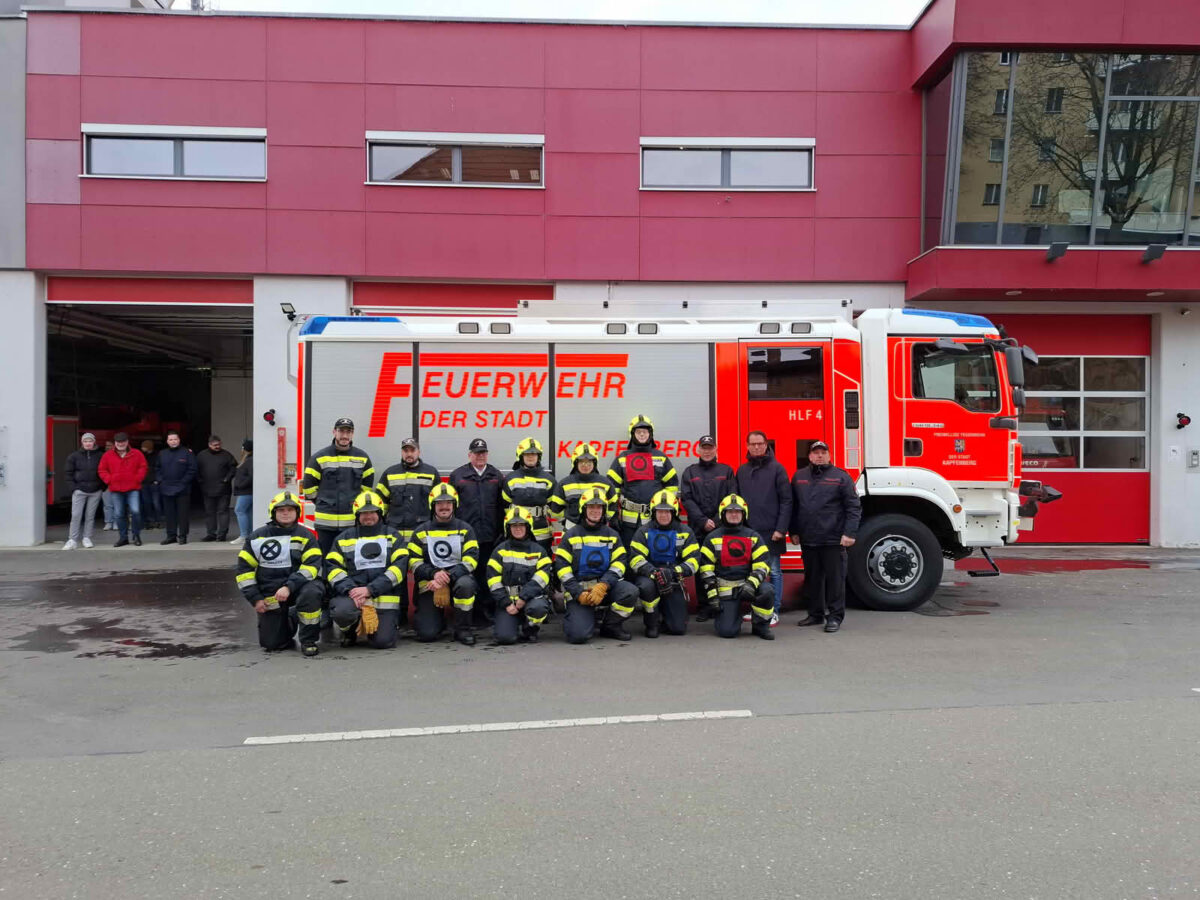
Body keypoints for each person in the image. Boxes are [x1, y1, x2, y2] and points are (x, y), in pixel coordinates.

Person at [234, 490, 325, 656]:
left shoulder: (306, 535)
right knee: (272, 644)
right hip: (271, 592)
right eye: (281, 510)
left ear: (297, 512)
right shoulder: (257, 537)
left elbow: (312, 566)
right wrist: (255, 598)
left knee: (312, 592)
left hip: (299, 587)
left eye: (290, 510)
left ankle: (308, 640)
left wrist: (289, 586)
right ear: (273, 512)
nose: (285, 513)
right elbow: (244, 571)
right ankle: (290, 617)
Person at [789, 440, 862, 634]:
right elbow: (794, 507)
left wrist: (849, 533)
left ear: (829, 455)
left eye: (823, 452)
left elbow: (853, 507)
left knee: (835, 580)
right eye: (816, 452)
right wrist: (794, 531)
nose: (819, 455)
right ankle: (815, 614)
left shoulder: (841, 477)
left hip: (833, 539)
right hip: (808, 538)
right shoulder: (799, 477)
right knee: (812, 579)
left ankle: (835, 617)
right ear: (810, 456)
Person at [555, 486, 639, 643]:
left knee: (630, 591)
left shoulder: (612, 535)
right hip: (580, 591)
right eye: (591, 507)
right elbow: (561, 567)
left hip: (604, 588)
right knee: (578, 636)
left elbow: (619, 564)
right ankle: (581, 618)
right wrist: (578, 592)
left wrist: (603, 585)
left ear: (604, 510)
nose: (595, 511)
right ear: (583, 509)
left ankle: (610, 625)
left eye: (599, 507)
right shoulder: (571, 535)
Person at [326, 490, 407, 650]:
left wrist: (370, 589)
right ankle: (349, 631)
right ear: (357, 515)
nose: (368, 516)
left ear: (380, 513)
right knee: (342, 612)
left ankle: (388, 626)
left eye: (372, 512)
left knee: (383, 642)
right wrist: (352, 590)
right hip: (353, 596)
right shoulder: (344, 538)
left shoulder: (393, 536)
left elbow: (399, 568)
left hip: (384, 598)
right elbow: (333, 568)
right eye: (363, 513)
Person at [376, 436, 439, 628]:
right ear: (402, 452)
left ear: (418, 452)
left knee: (422, 573)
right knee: (398, 576)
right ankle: (400, 615)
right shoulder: (390, 473)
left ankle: (422, 612)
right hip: (396, 537)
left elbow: (439, 505)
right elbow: (380, 504)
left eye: (412, 450)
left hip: (421, 537)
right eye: (406, 450)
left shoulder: (431, 473)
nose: (409, 454)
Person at [406, 483, 481, 646]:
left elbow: (471, 560)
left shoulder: (466, 529)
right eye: (439, 503)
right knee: (427, 634)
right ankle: (437, 623)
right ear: (433, 506)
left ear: (454, 505)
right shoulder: (420, 531)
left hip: (457, 580)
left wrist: (445, 578)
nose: (444, 507)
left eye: (448, 503)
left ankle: (463, 628)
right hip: (430, 583)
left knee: (466, 584)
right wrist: (433, 574)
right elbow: (413, 561)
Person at [697, 494, 775, 640]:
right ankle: (732, 616)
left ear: (744, 514)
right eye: (730, 511)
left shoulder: (753, 536)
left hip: (748, 586)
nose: (734, 514)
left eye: (738, 511)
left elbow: (763, 565)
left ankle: (760, 626)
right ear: (723, 514)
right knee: (727, 632)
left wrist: (751, 584)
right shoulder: (712, 538)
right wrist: (713, 597)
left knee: (767, 590)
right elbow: (705, 569)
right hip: (725, 589)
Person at [735, 431, 792, 625]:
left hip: (772, 531)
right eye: (753, 444)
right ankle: (756, 609)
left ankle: (773, 610)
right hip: (749, 533)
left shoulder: (777, 469)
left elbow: (786, 501)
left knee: (774, 571)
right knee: (753, 573)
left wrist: (781, 529)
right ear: (747, 446)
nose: (757, 447)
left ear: (767, 445)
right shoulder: (742, 471)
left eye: (760, 443)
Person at [628, 489, 700, 637]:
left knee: (678, 629)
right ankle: (652, 623)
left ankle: (667, 617)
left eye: (668, 511)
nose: (664, 515)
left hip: (673, 578)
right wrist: (654, 573)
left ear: (674, 512)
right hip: (649, 577)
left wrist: (674, 572)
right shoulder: (643, 531)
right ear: (653, 513)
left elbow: (694, 560)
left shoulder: (685, 531)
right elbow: (635, 559)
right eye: (660, 511)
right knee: (646, 587)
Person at [678, 434, 734, 621]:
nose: (707, 451)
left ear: (716, 449)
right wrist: (703, 521)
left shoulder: (726, 471)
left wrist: (717, 521)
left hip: (722, 528)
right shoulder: (690, 472)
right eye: (704, 447)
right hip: (698, 528)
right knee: (703, 567)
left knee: (722, 567)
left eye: (710, 447)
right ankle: (704, 607)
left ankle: (722, 603)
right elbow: (686, 499)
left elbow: (731, 498)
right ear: (698, 450)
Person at [302, 417, 375, 557]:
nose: (345, 435)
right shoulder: (319, 457)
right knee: (326, 557)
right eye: (341, 431)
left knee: (349, 558)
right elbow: (308, 488)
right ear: (334, 432)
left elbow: (366, 490)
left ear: (352, 434)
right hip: (325, 523)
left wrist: (356, 505)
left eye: (349, 432)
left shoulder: (363, 458)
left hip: (351, 522)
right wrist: (323, 502)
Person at [448, 438, 503, 622]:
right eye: (477, 453)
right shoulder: (458, 475)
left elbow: (502, 506)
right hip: (466, 537)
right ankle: (470, 613)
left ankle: (486, 611)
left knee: (488, 574)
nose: (480, 456)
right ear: (469, 454)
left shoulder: (496, 475)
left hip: (490, 536)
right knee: (468, 575)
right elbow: (450, 508)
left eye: (483, 453)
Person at [607, 414, 678, 546]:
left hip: (654, 519)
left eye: (645, 431)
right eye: (638, 432)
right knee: (629, 556)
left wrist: (668, 511)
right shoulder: (622, 458)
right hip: (628, 522)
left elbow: (672, 486)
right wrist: (613, 515)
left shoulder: (661, 457)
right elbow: (611, 488)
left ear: (650, 434)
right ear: (632, 434)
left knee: (653, 554)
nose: (642, 434)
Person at [487, 506, 552, 645]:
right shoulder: (499, 551)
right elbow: (493, 580)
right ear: (507, 527)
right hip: (507, 602)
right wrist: (506, 603)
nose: (518, 529)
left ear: (528, 527)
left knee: (538, 607)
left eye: (521, 525)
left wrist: (523, 597)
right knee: (505, 638)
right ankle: (511, 624)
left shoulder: (539, 551)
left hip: (530, 600)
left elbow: (542, 578)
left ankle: (530, 629)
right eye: (514, 525)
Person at [501, 437, 557, 552]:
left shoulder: (549, 480)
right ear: (520, 456)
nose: (531, 457)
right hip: (518, 531)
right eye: (527, 454)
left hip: (542, 532)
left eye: (534, 454)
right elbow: (505, 506)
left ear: (539, 457)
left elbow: (554, 507)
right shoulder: (511, 479)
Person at [547, 441, 613, 529]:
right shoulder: (565, 484)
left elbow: (613, 505)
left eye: (589, 462)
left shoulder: (605, 484)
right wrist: (568, 517)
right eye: (582, 462)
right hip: (572, 528)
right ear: (575, 463)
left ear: (594, 463)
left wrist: (602, 519)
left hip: (598, 529)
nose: (585, 465)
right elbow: (555, 510)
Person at [99, 432, 147, 547]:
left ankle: (136, 535)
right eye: (118, 442)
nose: (121, 444)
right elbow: (102, 470)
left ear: (127, 442)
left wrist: (137, 479)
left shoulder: (137, 453)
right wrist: (109, 480)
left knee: (135, 511)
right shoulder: (108, 455)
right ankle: (123, 537)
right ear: (115, 443)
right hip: (116, 488)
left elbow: (143, 467)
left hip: (133, 487)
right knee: (119, 514)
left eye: (123, 442)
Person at [63, 432, 104, 550]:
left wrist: (102, 486)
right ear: (82, 442)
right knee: (76, 515)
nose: (88, 443)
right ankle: (72, 539)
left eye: (90, 441)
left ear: (94, 442)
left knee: (90, 516)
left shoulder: (100, 456)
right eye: (85, 441)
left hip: (95, 490)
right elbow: (68, 473)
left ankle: (87, 538)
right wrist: (73, 488)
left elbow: (105, 470)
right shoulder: (74, 456)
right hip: (79, 490)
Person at [157, 431, 196, 545]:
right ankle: (171, 536)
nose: (173, 441)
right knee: (169, 514)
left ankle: (183, 536)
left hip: (182, 488)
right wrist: (160, 481)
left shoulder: (187, 453)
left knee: (182, 514)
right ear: (167, 441)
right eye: (170, 440)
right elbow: (157, 468)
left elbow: (192, 469)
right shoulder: (162, 453)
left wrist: (183, 483)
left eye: (175, 439)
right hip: (166, 487)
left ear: (179, 440)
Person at [196, 434, 236, 542]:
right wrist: (200, 481)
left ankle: (222, 534)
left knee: (222, 511)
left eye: (219, 444)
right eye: (215, 445)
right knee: (209, 512)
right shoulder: (201, 455)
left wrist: (226, 479)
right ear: (209, 445)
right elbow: (196, 470)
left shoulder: (226, 455)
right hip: (207, 488)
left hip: (223, 489)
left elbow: (233, 468)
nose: (217, 446)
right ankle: (211, 534)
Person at [231, 439, 254, 544]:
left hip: (246, 491)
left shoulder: (249, 460)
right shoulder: (248, 460)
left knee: (239, 510)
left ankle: (244, 535)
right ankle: (249, 535)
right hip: (246, 491)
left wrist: (241, 485)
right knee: (247, 511)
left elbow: (250, 476)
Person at [138, 439, 162, 530]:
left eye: (144, 447)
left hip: (154, 483)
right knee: (146, 503)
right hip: (144, 483)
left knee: (156, 503)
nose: (142, 448)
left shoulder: (157, 456)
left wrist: (157, 480)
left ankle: (158, 521)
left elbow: (159, 468)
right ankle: (149, 521)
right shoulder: (141, 456)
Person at [101, 440, 116, 531]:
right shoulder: (103, 456)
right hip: (106, 484)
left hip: (117, 484)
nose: (107, 447)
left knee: (117, 504)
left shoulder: (118, 456)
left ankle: (116, 522)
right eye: (106, 445)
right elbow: (101, 470)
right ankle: (108, 522)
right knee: (107, 505)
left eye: (109, 445)